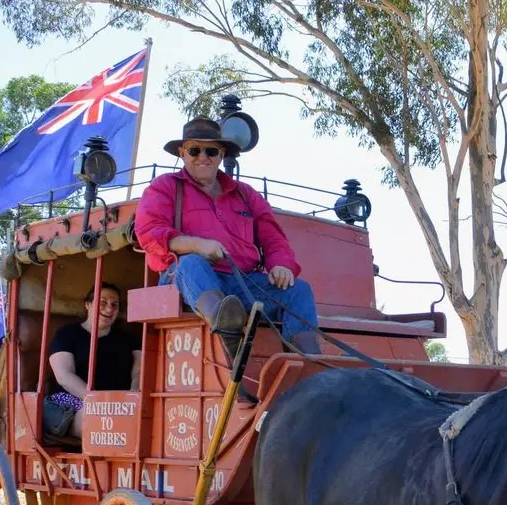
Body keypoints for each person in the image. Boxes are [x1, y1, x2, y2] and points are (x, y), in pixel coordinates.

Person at [134, 117, 323, 358]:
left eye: (211, 150)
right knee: (192, 262)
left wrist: (281, 264)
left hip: (241, 282)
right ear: (182, 153)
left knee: (298, 290)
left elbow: (273, 236)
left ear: (221, 154)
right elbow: (149, 233)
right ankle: (228, 332)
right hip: (187, 281)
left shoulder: (245, 194)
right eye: (194, 150)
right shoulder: (165, 186)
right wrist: (198, 245)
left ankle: (309, 364)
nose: (203, 156)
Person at [44, 283, 142, 439]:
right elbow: (64, 376)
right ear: (88, 304)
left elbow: (139, 371)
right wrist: (99, 404)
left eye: (114, 305)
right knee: (100, 422)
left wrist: (133, 398)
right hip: (71, 404)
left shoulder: (128, 339)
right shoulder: (67, 334)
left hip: (120, 407)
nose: (109, 309)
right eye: (102, 303)